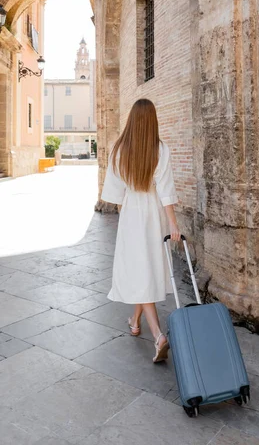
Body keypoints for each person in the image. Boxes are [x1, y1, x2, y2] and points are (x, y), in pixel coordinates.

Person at [101, 98, 180, 363]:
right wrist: (173, 223)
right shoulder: (161, 149)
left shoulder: (119, 150)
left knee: (138, 269)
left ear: (132, 120)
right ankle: (135, 321)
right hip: (154, 214)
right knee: (144, 270)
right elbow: (166, 190)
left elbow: (116, 194)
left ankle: (158, 335)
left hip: (131, 215)